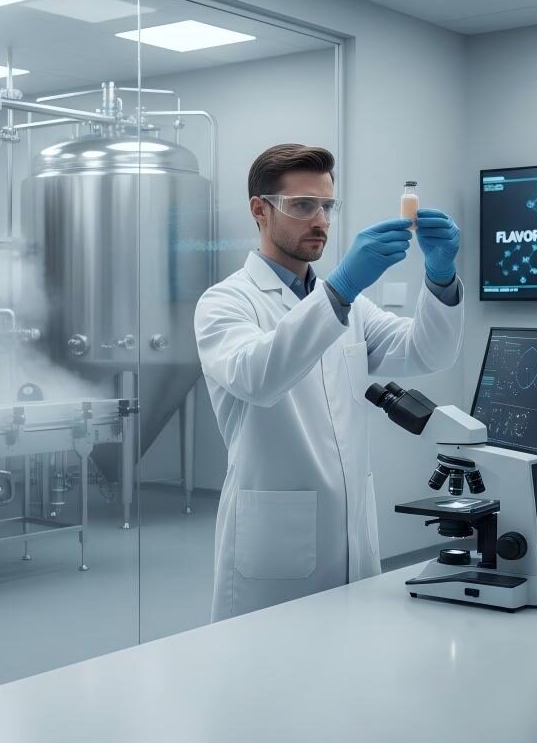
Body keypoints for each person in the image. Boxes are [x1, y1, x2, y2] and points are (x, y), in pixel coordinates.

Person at [194, 144, 463, 621]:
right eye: (302, 206)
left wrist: (440, 276)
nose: (320, 220)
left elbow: (426, 351)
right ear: (260, 210)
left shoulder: (349, 306)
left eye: (327, 206)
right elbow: (258, 376)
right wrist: (338, 290)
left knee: (349, 667)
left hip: (351, 527)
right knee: (268, 674)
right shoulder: (225, 303)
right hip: (276, 539)